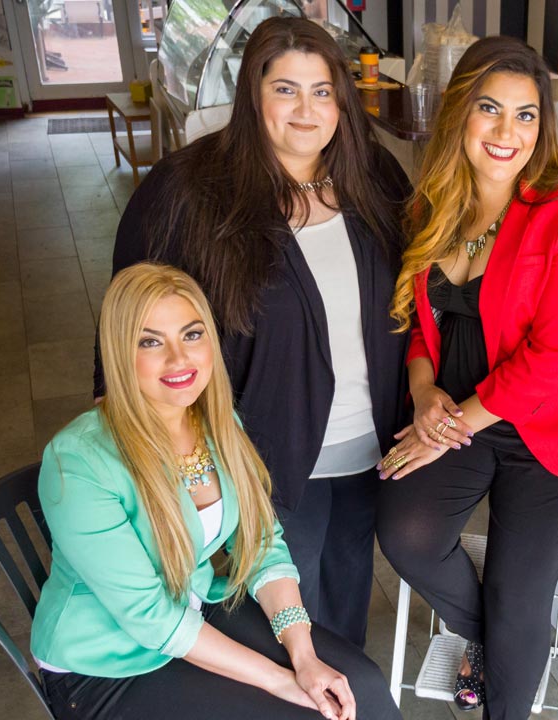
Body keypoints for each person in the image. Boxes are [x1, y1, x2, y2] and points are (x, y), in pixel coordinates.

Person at [104, 17, 410, 647]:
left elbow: (413, 298)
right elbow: (132, 320)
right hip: (264, 459)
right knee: (285, 621)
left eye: (323, 91)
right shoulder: (190, 191)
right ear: (251, 95)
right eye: (285, 90)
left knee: (347, 596)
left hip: (370, 446)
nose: (306, 110)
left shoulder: (373, 176)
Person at [375, 36, 558, 718]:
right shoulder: (433, 202)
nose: (506, 132)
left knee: (521, 594)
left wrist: (449, 425)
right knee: (407, 535)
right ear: (460, 110)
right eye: (490, 109)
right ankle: (490, 638)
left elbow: (552, 357)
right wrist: (427, 391)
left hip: (556, 426)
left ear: (542, 126)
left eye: (526, 115)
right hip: (463, 409)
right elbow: (417, 318)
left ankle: (505, 669)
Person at [33, 263, 401, 720]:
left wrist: (303, 657)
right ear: (120, 353)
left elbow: (262, 543)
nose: (178, 359)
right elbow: (151, 617)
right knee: (304, 712)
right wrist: (280, 680)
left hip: (196, 609)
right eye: (151, 342)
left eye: (191, 335)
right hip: (104, 667)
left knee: (359, 685)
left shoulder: (217, 424)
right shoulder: (78, 462)